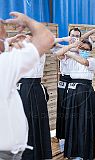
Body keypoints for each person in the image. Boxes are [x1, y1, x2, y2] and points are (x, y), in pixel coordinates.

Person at [0, 12, 54, 160]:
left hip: (32, 87)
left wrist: (7, 41)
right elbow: (47, 39)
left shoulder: (8, 60)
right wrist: (28, 21)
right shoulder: (6, 63)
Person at [56, 39, 95, 160]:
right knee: (72, 122)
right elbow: (58, 54)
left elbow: (84, 62)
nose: (84, 51)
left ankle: (84, 153)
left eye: (87, 49)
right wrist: (72, 46)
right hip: (72, 93)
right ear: (78, 49)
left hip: (86, 93)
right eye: (82, 48)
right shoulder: (70, 59)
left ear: (90, 51)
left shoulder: (92, 60)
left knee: (84, 123)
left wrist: (71, 53)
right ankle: (73, 152)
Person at [14, 33, 52, 160]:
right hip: (20, 88)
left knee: (35, 120)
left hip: (34, 88)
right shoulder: (18, 55)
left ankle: (38, 153)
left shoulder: (39, 53)